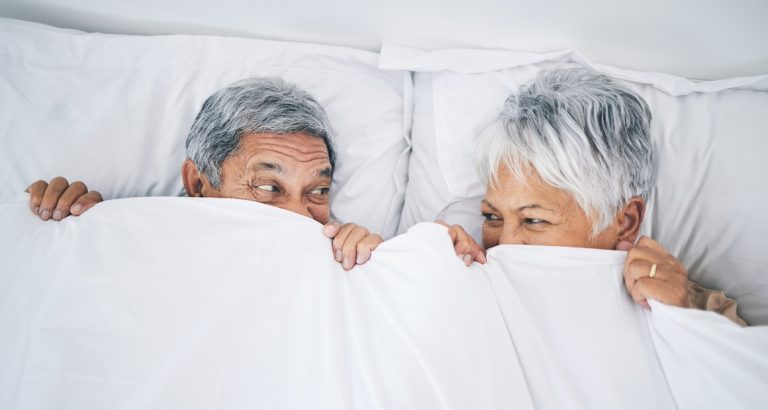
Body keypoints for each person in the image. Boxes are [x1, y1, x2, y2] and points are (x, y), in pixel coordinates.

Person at [442, 67, 744, 324]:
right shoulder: (462, 271)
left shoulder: (694, 309)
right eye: (491, 217)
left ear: (625, 222)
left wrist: (686, 316)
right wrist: (424, 267)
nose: (503, 244)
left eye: (534, 220)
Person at [25, 76, 379, 271]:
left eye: (318, 191)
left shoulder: (336, 257)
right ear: (197, 182)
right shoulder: (121, 236)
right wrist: (58, 222)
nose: (299, 215)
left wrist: (372, 267)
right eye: (270, 187)